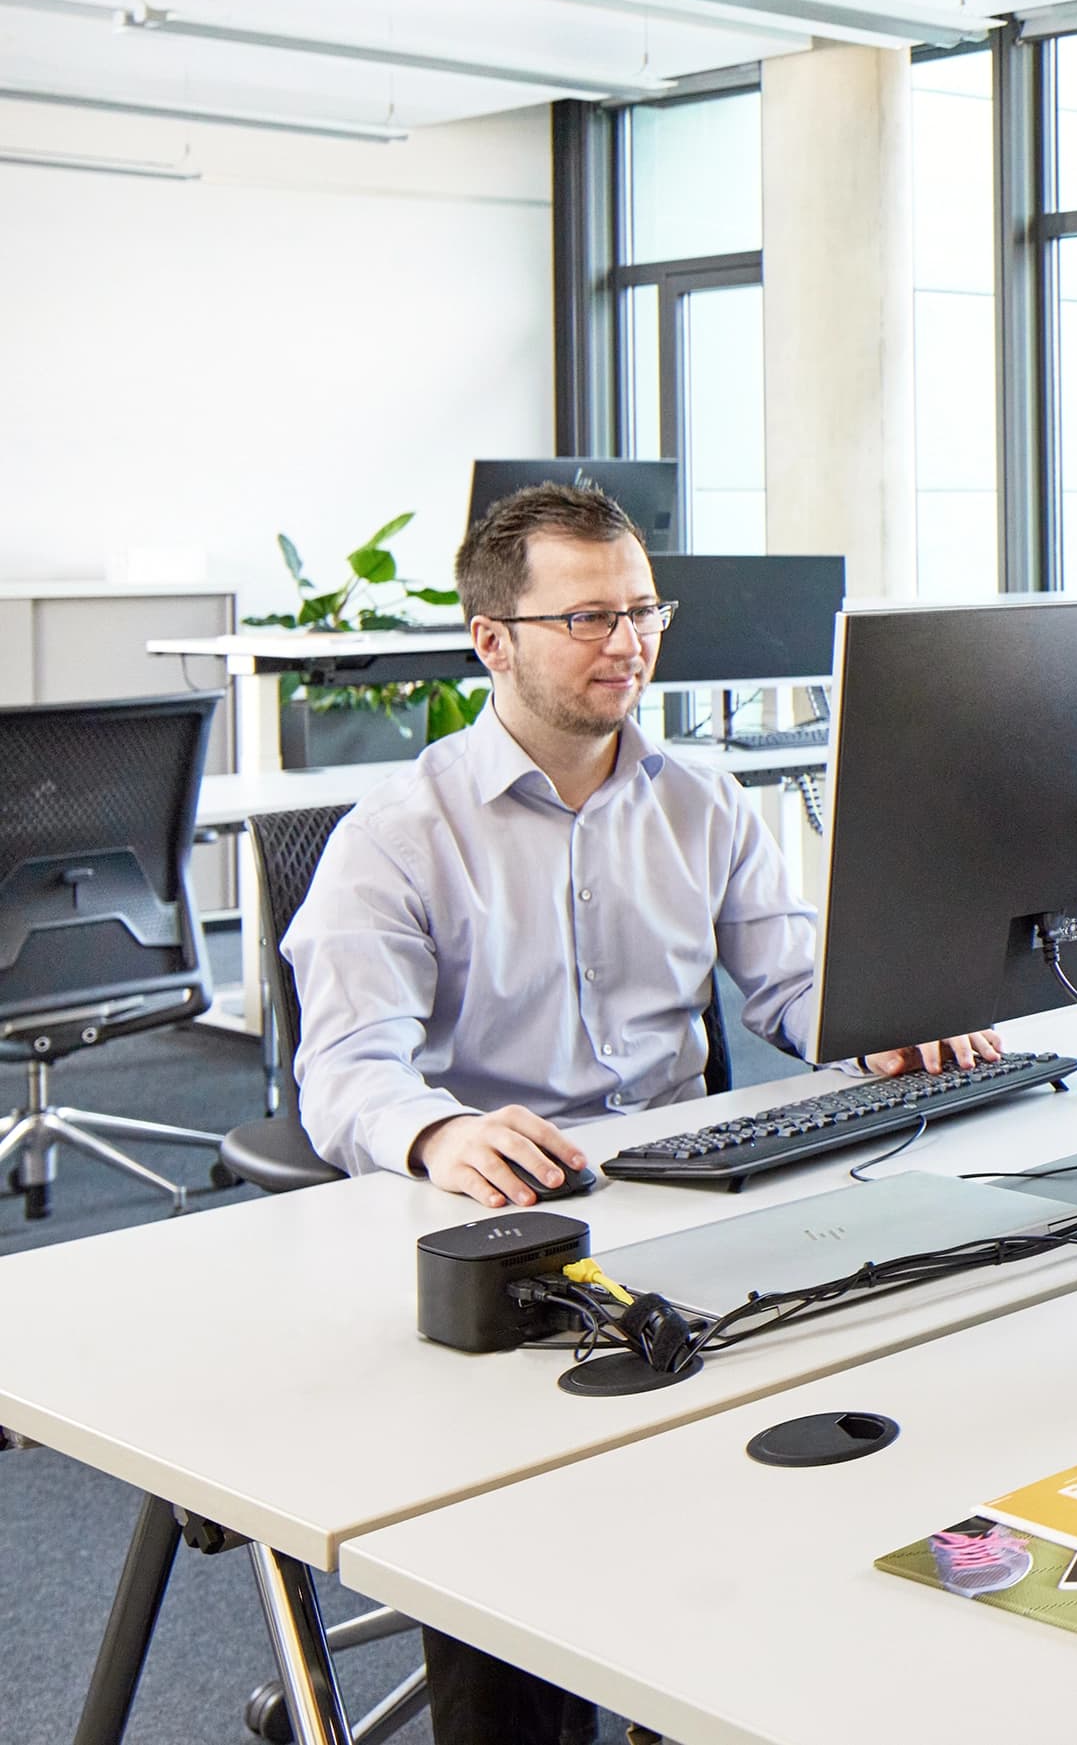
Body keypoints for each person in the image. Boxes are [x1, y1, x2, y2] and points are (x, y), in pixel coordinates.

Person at [284, 482, 1004, 1742]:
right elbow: (344, 1068)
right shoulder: (398, 834)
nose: (629, 644)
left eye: (642, 611)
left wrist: (878, 1012)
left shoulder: (704, 798)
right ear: (492, 639)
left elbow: (791, 980)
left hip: (681, 1189)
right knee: (519, 1551)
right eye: (589, 619)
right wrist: (438, 1130)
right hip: (511, 1220)